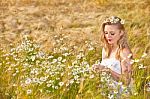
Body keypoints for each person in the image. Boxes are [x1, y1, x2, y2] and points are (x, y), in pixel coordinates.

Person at [92, 16, 133, 97]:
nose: (108, 36)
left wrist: (107, 70)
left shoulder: (124, 52)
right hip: (106, 91)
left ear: (121, 33)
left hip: (121, 93)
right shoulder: (105, 50)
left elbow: (126, 81)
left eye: (112, 33)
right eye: (106, 33)